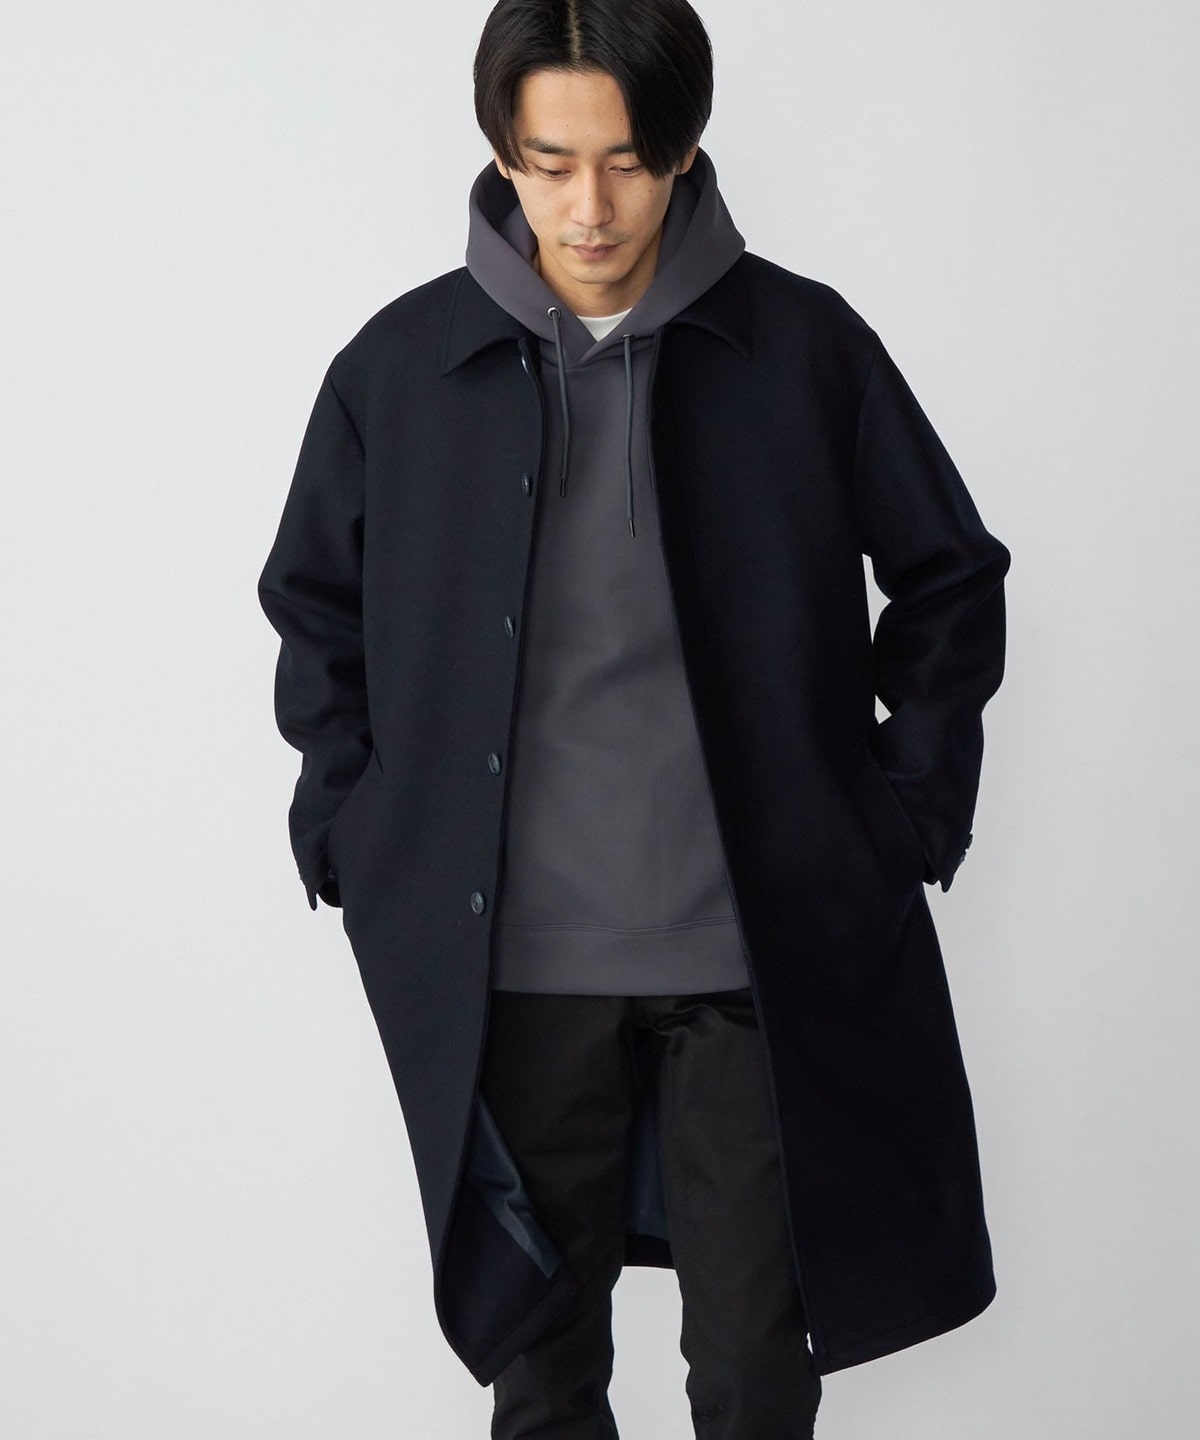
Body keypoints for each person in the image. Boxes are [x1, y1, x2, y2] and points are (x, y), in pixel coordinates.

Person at [257, 1, 1011, 1435]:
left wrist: (909, 809)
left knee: (752, 1378)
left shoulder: (802, 345)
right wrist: (349, 825)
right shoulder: (398, 369)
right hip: (514, 970)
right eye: (551, 164)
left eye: (627, 162)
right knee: (543, 1386)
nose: (590, 208)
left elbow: (949, 574)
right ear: (502, 152)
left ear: (683, 152)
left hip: (754, 960)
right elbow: (312, 607)